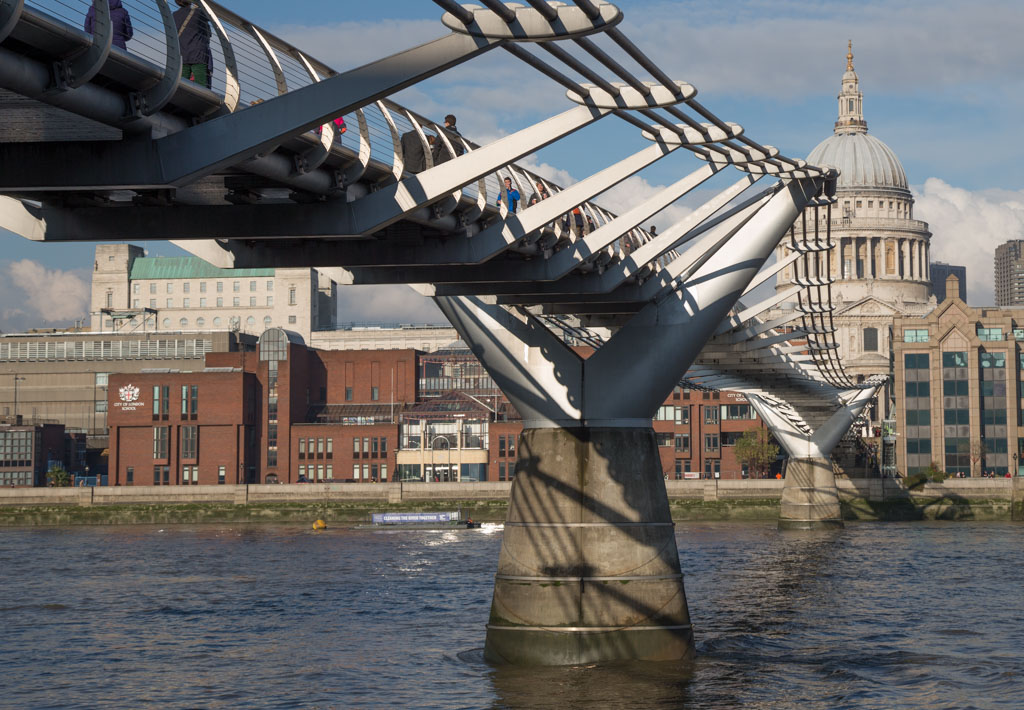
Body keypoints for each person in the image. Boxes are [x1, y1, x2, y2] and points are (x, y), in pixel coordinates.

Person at [173, 0, 212, 89]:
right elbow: (208, 30)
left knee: (183, 85)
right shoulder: (198, 13)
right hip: (198, 54)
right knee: (201, 85)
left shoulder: (174, 15)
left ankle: (182, 101)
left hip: (182, 54)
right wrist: (199, 5)